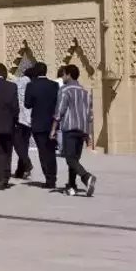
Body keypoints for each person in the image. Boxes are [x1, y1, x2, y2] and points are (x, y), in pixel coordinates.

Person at [52, 64, 96, 197]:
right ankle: (72, 186)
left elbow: (59, 111)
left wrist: (53, 129)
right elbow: (89, 115)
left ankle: (86, 177)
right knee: (74, 159)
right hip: (82, 130)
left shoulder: (65, 90)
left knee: (70, 159)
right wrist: (87, 134)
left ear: (69, 75)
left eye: (63, 74)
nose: (62, 77)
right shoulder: (85, 92)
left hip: (70, 129)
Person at [23, 63, 60, 189]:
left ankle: (49, 179)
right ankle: (53, 178)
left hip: (38, 123)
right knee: (50, 152)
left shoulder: (31, 86)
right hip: (51, 123)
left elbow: (27, 104)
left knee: (43, 152)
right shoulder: (54, 85)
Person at [12, 56, 35, 179]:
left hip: (18, 118)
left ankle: (27, 164)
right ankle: (20, 171)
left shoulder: (18, 81)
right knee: (24, 144)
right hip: (29, 119)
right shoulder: (32, 84)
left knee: (17, 143)